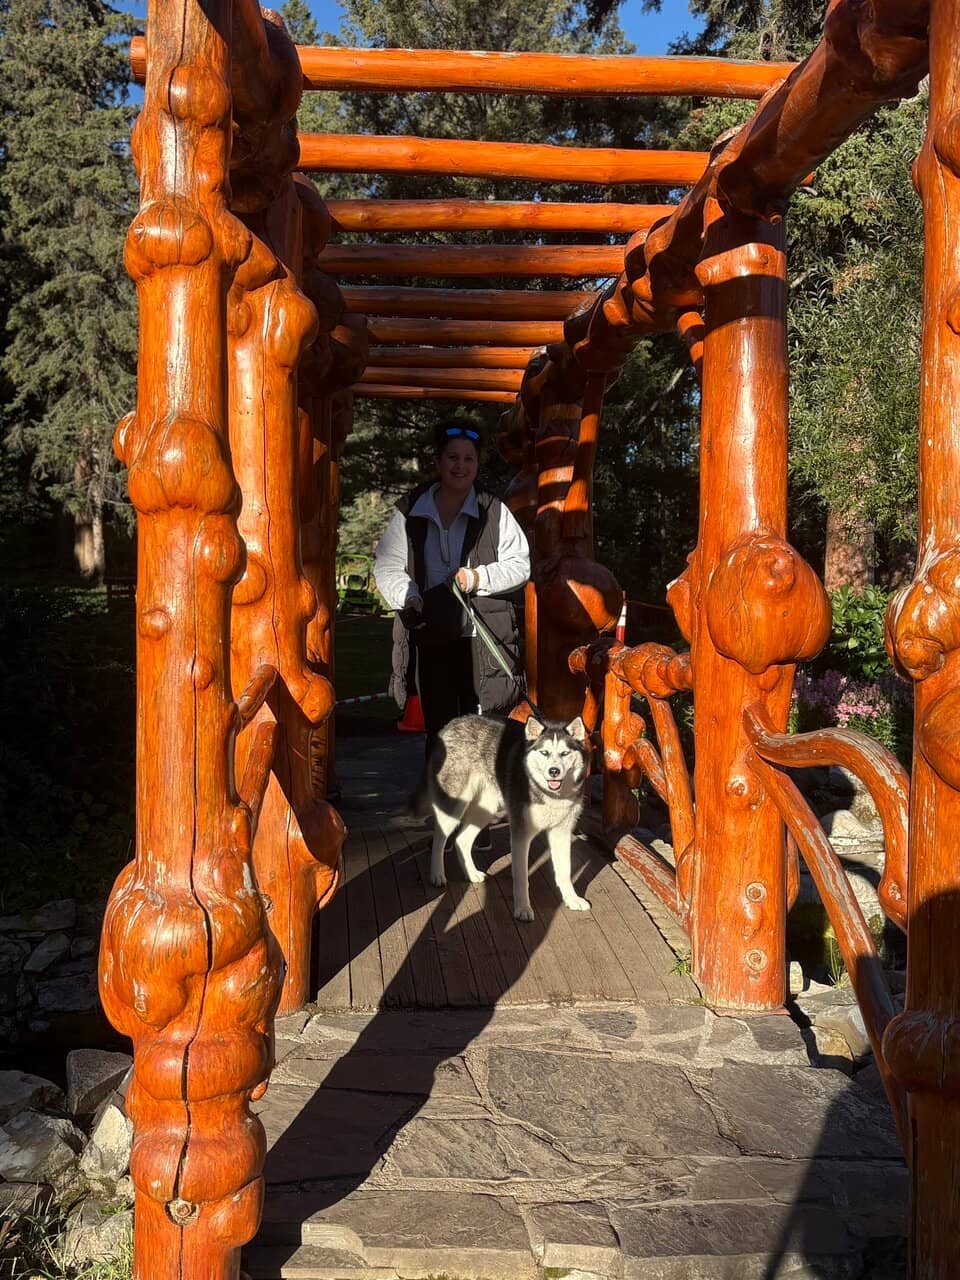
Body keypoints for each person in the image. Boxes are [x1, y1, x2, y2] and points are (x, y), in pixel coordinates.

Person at [374, 419, 530, 757]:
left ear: (477, 464)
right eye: (452, 458)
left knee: (483, 733)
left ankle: (483, 806)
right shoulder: (410, 510)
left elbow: (521, 565)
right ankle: (442, 803)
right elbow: (387, 564)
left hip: (482, 641)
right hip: (432, 636)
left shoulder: (494, 510)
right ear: (438, 461)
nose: (460, 466)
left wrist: (477, 579)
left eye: (468, 459)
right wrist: (409, 596)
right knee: (441, 734)